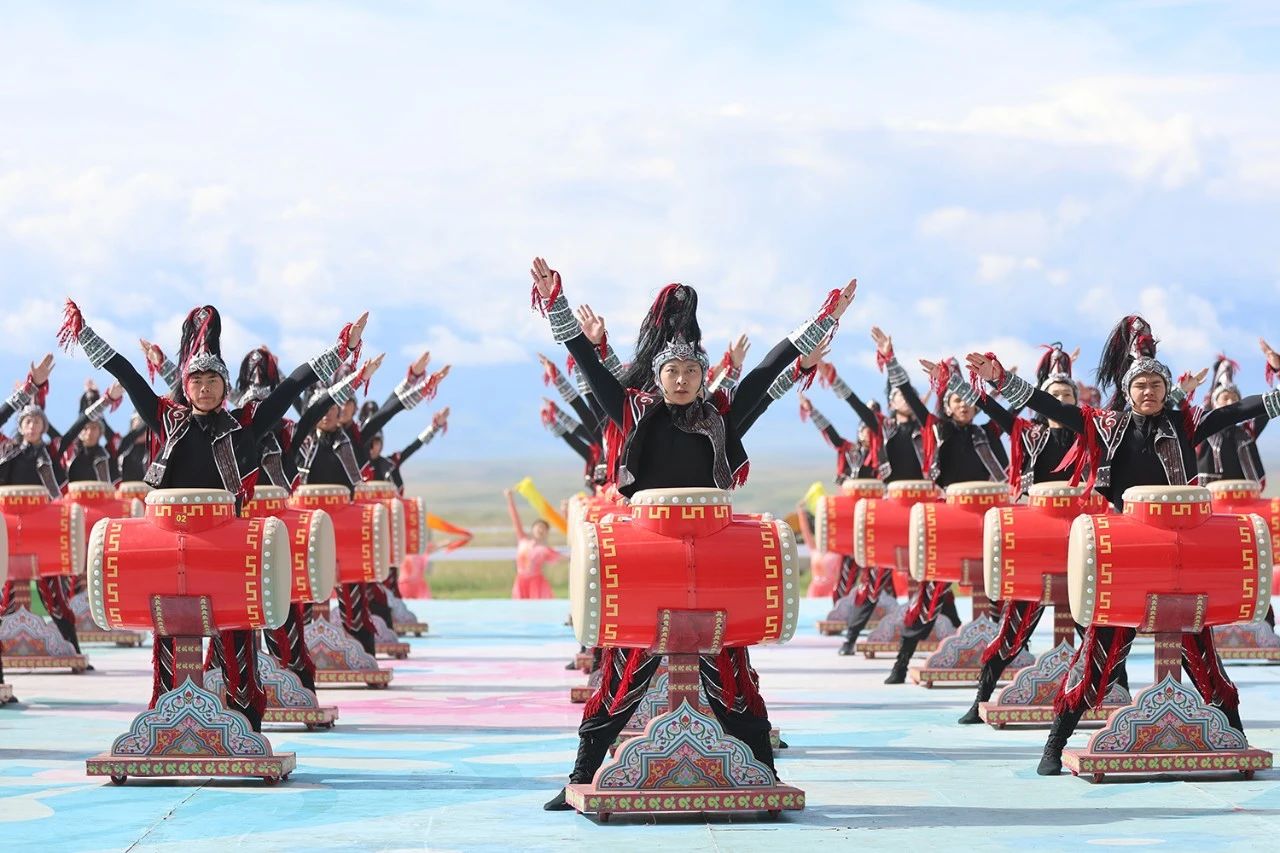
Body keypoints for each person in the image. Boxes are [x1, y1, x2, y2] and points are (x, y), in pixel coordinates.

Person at [527, 255, 856, 810]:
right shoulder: (632, 411)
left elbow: (772, 366)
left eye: (690, 373)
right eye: (671, 373)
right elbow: (584, 359)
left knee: (735, 677)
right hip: (645, 559)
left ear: (704, 376)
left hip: (717, 557)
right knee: (619, 676)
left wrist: (827, 315)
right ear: (657, 377)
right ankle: (579, 777)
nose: (681, 381)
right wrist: (554, 299)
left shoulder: (723, 415)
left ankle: (766, 776)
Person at [965, 314, 1280, 774]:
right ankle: (1055, 744)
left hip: (1182, 552)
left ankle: (1234, 735)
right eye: (1140, 385)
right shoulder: (1106, 426)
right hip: (1125, 554)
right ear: (1128, 391)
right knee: (1096, 661)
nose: (1148, 391)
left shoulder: (1184, 423)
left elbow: (1239, 411)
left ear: (1165, 388)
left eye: (1155, 383)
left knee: (1205, 660)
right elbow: (1053, 409)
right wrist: (1000, 379)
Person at [58, 300, 367, 730]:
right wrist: (86, 333)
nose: (204, 388)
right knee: (169, 634)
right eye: (196, 380)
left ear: (225, 386)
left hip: (227, 546)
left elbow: (294, 387)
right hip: (167, 545)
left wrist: (341, 348)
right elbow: (127, 374)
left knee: (237, 635)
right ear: (186, 385)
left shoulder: (245, 426)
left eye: (213, 380)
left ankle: (244, 719)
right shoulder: (167, 420)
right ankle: (169, 721)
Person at [504, 489, 563, 599]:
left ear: (546, 533)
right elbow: (515, 519)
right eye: (538, 527)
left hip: (536, 583)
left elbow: (563, 558)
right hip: (521, 581)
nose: (540, 529)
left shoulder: (545, 549)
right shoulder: (523, 540)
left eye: (544, 528)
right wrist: (510, 499)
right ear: (532, 529)